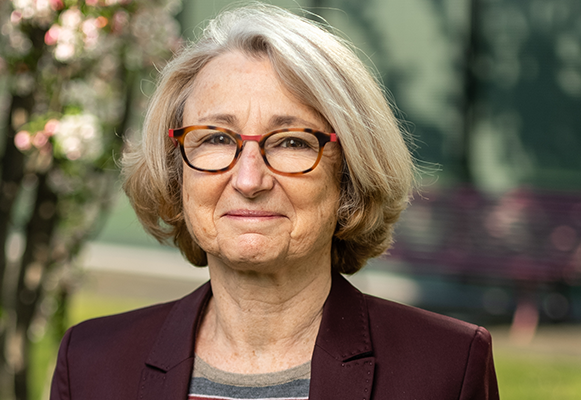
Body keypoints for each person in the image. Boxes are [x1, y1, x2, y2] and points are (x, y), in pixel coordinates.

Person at [50, 4, 499, 399]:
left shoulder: (446, 368)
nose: (249, 180)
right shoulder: (91, 363)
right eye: (216, 138)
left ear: (349, 174)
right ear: (175, 171)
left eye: (291, 142)